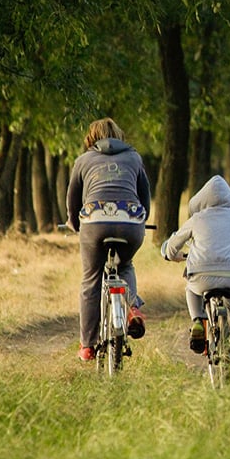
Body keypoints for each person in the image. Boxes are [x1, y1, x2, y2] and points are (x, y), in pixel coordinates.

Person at [65, 117, 151, 362]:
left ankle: (88, 345)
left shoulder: (83, 161)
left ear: (91, 138)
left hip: (94, 221)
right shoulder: (134, 157)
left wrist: (74, 223)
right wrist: (141, 220)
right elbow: (145, 197)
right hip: (131, 222)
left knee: (91, 279)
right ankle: (133, 308)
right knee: (125, 265)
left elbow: (73, 201)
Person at [161, 175, 230, 364]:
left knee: (191, 289)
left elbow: (173, 245)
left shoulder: (196, 218)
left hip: (201, 277)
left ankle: (197, 321)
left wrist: (169, 253)